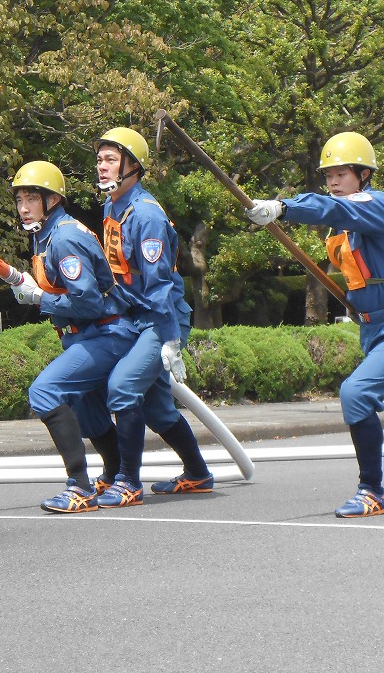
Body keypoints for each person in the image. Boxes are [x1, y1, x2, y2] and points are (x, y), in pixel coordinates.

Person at [244, 132, 384, 518]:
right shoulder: (347, 222)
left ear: (363, 175)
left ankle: (371, 491)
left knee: (356, 394)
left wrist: (283, 207)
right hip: (375, 329)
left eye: (341, 173)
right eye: (328, 174)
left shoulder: (377, 204)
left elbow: (332, 209)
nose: (333, 181)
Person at [8, 160, 138, 513]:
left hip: (106, 333)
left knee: (45, 391)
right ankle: (111, 476)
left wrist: (39, 297)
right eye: (19, 199)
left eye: (32, 198)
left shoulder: (63, 237)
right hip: (85, 335)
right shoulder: (46, 234)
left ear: (52, 200)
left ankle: (79, 486)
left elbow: (89, 301)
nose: (23, 207)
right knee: (88, 410)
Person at [92, 127, 213, 508]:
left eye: (111, 159)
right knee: (159, 409)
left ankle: (128, 481)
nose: (102, 166)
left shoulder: (146, 216)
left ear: (133, 167)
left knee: (122, 388)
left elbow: (159, 285)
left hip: (161, 318)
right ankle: (198, 474)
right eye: (100, 159)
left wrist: (171, 339)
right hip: (137, 315)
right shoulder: (113, 206)